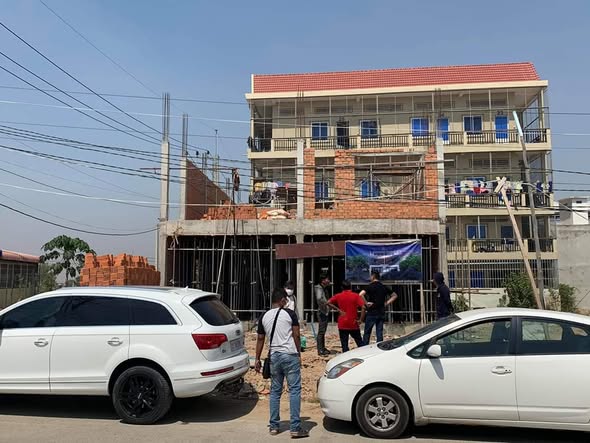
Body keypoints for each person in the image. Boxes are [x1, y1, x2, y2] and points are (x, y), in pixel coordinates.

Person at [255, 288, 308, 439]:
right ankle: (295, 428)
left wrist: (257, 358)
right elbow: (296, 334)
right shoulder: (290, 314)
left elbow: (260, 338)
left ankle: (273, 426)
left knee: (275, 392)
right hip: (289, 355)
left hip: (274, 356)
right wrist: (298, 353)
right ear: (283, 300)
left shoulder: (264, 316)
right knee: (294, 390)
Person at [360, 271, 397, 345]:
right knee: (379, 332)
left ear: (373, 276)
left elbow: (360, 294)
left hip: (372, 312)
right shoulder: (383, 286)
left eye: (370, 276)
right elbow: (395, 295)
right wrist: (386, 303)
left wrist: (366, 303)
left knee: (367, 332)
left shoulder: (370, 286)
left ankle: (364, 347)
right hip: (381, 311)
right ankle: (379, 346)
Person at [327, 280, 365, 353]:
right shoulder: (355, 296)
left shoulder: (338, 295)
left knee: (344, 345)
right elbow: (363, 307)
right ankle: (364, 355)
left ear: (342, 287)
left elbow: (328, 302)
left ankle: (346, 356)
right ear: (350, 287)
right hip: (353, 323)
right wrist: (361, 319)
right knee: (360, 343)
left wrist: (338, 310)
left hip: (342, 323)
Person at [314, 274, 332, 356]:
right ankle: (320, 349)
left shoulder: (324, 288)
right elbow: (319, 298)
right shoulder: (319, 288)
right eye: (327, 279)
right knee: (321, 331)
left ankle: (323, 348)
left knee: (323, 331)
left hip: (325, 311)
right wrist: (326, 303)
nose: (329, 281)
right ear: (323, 280)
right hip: (322, 311)